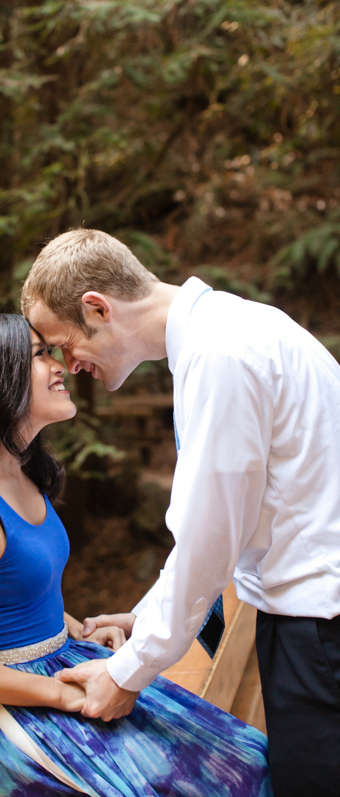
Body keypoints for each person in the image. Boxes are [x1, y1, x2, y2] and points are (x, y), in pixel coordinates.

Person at [0, 313, 271, 797]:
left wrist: (79, 628)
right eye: (40, 355)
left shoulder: (22, 474)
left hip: (64, 664)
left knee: (247, 761)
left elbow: (12, 591)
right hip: (16, 710)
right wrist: (58, 694)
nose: (60, 363)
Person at [21, 228, 340, 797]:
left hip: (320, 628)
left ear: (98, 307)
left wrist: (127, 672)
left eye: (60, 343)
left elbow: (209, 541)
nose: (66, 365)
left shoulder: (222, 356)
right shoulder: (233, 328)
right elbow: (226, 525)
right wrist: (143, 617)